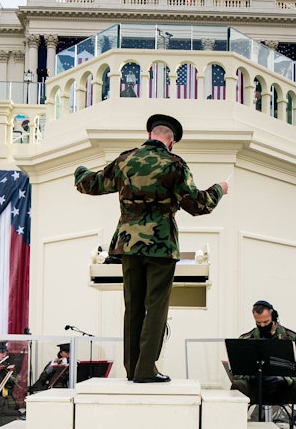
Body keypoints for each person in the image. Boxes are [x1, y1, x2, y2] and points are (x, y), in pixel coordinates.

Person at [74, 113, 227, 383]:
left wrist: (79, 171)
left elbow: (92, 184)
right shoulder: (175, 164)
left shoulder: (125, 159)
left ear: (149, 136)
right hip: (161, 246)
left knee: (132, 307)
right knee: (155, 307)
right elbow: (198, 205)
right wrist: (219, 189)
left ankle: (132, 369)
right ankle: (146, 370)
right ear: (171, 142)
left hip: (128, 245)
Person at [229, 300, 296, 429]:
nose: (262, 325)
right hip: (256, 389)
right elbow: (235, 373)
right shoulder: (246, 339)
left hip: (282, 389)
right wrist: (252, 376)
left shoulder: (290, 338)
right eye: (258, 322)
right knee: (238, 385)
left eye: (265, 322)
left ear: (273, 316)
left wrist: (284, 379)